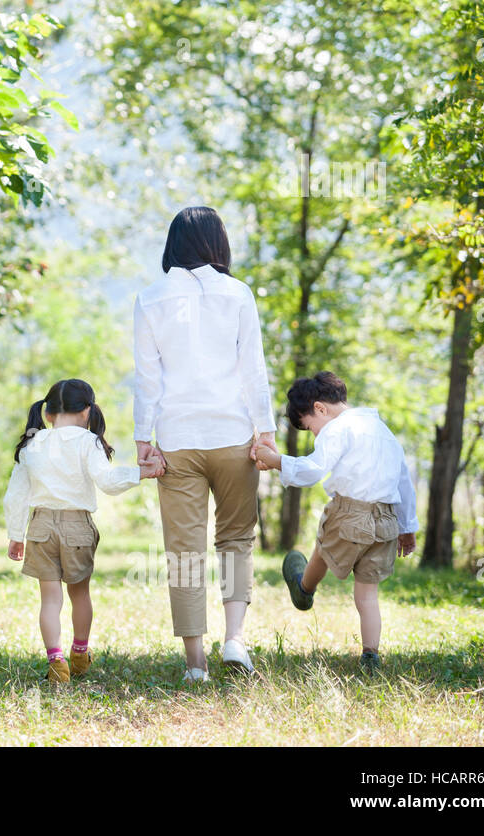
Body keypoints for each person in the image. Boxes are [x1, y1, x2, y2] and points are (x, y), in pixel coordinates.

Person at [133, 206, 276, 683]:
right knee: (236, 540)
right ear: (219, 243)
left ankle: (196, 665)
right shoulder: (238, 294)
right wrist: (266, 431)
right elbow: (253, 368)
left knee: (184, 551)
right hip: (233, 434)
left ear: (173, 244)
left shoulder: (150, 298)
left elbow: (146, 379)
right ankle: (234, 638)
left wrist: (142, 440)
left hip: (176, 439)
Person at [250, 371, 418, 672]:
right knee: (367, 594)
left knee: (325, 545)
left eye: (310, 428)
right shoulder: (382, 430)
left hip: (350, 515)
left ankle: (304, 588)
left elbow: (314, 469)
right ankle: (370, 655)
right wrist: (407, 528)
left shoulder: (337, 429)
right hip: (387, 522)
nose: (315, 434)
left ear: (320, 408)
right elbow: (403, 481)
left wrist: (277, 461)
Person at [4, 378, 162, 687]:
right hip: (78, 526)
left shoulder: (32, 443)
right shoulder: (89, 443)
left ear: (48, 413)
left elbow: (16, 495)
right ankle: (79, 653)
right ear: (87, 411)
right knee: (80, 594)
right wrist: (142, 472)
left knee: (49, 600)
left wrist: (16, 534)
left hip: (40, 526)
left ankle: (56, 661)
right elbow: (108, 482)